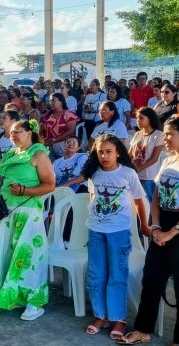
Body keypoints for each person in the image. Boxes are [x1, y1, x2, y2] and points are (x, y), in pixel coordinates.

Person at [0, 119, 55, 321]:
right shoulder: (12, 153)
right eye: (11, 132)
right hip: (7, 211)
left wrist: (25, 190)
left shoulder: (38, 154)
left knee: (27, 258)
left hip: (28, 212)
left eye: (17, 132)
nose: (13, 135)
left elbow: (50, 185)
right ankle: (12, 296)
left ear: (29, 132)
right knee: (7, 255)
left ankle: (34, 302)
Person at [118, 116, 179, 346]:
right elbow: (155, 195)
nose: (166, 138)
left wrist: (171, 233)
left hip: (176, 229)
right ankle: (143, 329)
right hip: (160, 223)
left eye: (170, 134)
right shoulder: (167, 159)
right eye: (164, 134)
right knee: (152, 279)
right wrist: (155, 226)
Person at [81, 134, 149, 340]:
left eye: (109, 151)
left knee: (117, 274)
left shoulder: (128, 174)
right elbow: (93, 197)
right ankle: (101, 315)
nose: (104, 155)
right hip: (96, 230)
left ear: (118, 152)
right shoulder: (94, 173)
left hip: (119, 232)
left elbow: (139, 201)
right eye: (100, 152)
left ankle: (118, 318)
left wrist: (144, 225)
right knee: (96, 273)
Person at [128, 107, 164, 203]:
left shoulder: (158, 135)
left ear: (150, 119)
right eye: (137, 118)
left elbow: (154, 158)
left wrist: (138, 169)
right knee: (136, 203)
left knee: (147, 204)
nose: (137, 121)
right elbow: (130, 154)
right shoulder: (137, 134)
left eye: (141, 118)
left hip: (148, 176)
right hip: (134, 176)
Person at [40, 93, 79, 159]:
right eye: (50, 101)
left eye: (53, 100)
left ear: (61, 102)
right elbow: (41, 130)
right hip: (47, 145)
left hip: (62, 145)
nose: (50, 103)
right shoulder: (46, 115)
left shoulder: (69, 115)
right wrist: (43, 141)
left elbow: (71, 131)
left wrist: (54, 140)